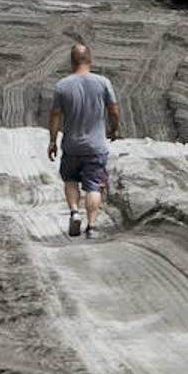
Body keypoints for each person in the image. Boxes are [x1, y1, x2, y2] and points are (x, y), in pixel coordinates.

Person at [48, 44, 119, 239]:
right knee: (94, 186)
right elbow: (113, 109)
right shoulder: (103, 82)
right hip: (96, 147)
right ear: (90, 60)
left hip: (71, 146)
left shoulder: (62, 85)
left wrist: (53, 141)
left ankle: (74, 212)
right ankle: (92, 226)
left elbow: (55, 115)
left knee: (70, 180)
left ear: (71, 61)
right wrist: (113, 129)